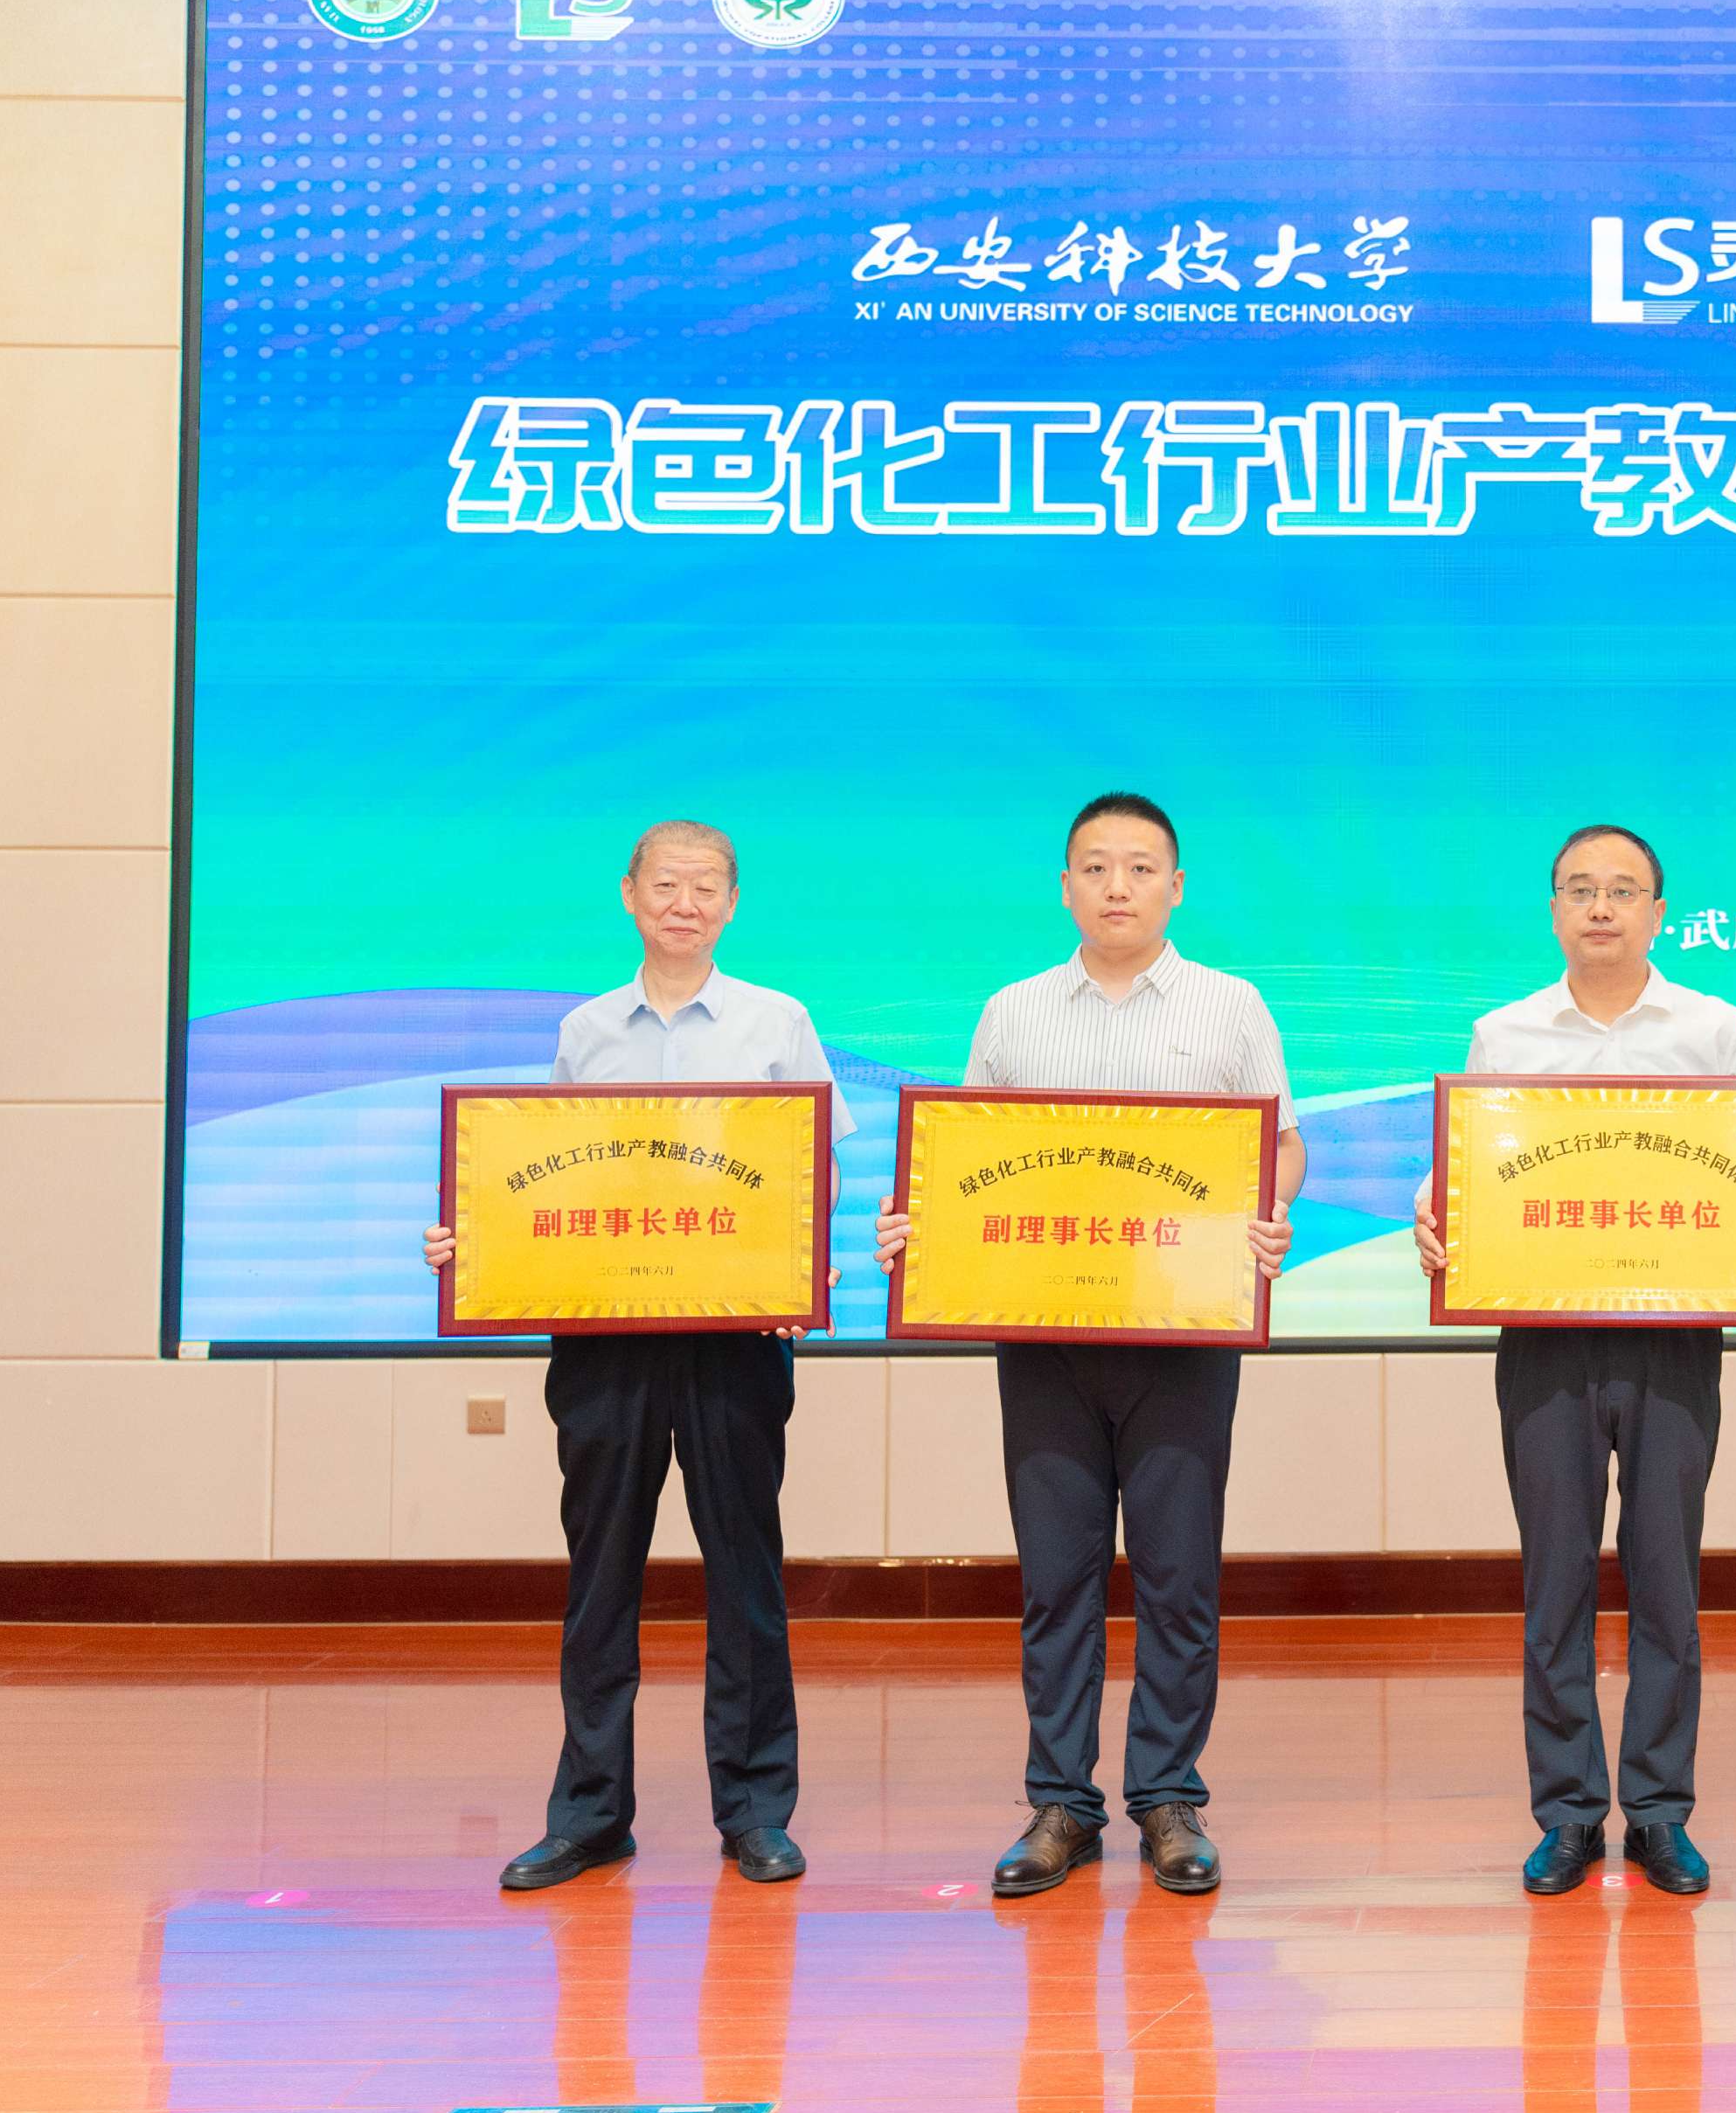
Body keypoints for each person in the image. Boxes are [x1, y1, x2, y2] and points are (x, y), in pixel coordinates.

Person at [875, 791, 1302, 1898]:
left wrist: (1268, 1211)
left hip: (1183, 1333)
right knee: (1057, 1577)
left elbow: (1280, 1142)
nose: (1119, 885)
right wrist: (916, 1226)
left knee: (1177, 1576)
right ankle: (1060, 1802)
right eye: (1096, 866)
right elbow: (962, 1162)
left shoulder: (1229, 1004)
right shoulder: (1013, 1011)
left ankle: (1167, 1797)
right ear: (1065, 886)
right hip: (1045, 1337)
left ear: (1176, 887)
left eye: (1141, 867)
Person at [420, 820, 849, 1894]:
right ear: (629, 894)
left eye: (705, 886)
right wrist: (475, 1241)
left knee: (744, 1571)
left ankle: (755, 1810)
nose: (684, 903)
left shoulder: (777, 1021)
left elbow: (814, 1163)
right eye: (666, 883)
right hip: (605, 1338)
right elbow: (542, 1180)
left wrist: (803, 1264)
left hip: (735, 1336)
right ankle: (589, 1812)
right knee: (600, 1575)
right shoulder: (586, 1030)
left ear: (732, 903)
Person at [1411, 823, 1736, 1899]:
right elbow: (1464, 1175)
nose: (1601, 906)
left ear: (1658, 914)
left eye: (1623, 890)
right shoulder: (1503, 1033)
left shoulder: (1712, 1029)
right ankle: (1565, 1812)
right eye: (1580, 889)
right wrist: (1435, 1217)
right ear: (1554, 909)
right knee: (1553, 1579)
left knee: (1664, 1576)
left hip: (1674, 1336)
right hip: (1542, 1334)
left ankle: (1658, 1810)